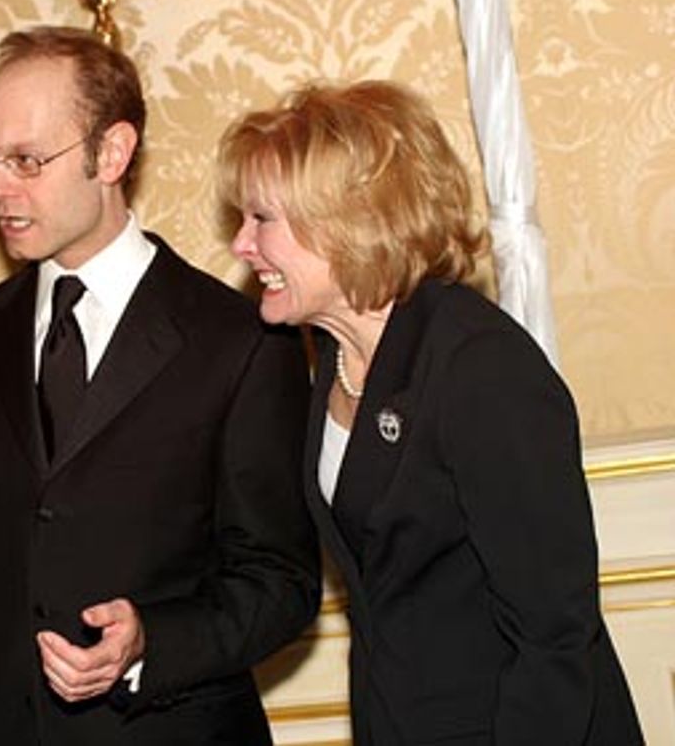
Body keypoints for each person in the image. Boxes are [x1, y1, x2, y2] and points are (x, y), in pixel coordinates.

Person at [0, 25, 319, 745]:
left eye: (26, 160)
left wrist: (151, 639)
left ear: (111, 153)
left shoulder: (239, 340)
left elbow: (280, 580)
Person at [221, 79, 644, 744]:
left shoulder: (480, 369)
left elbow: (553, 633)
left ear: (350, 218)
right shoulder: (335, 355)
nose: (242, 244)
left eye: (262, 220)